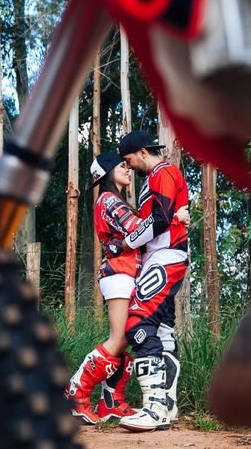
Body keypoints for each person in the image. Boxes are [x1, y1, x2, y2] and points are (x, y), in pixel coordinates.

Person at [65, 151, 189, 424]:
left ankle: (112, 402)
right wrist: (175, 216)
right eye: (122, 166)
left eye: (127, 164)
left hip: (127, 270)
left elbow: (142, 230)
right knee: (120, 338)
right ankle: (75, 393)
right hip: (120, 270)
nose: (128, 169)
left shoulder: (114, 200)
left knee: (127, 339)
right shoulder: (109, 200)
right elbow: (140, 228)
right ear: (107, 173)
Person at [106, 130, 190, 432]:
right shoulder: (157, 177)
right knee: (163, 329)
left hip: (166, 256)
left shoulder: (161, 172)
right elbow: (163, 217)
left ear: (143, 152)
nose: (129, 166)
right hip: (163, 256)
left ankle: (154, 408)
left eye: (129, 160)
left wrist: (125, 244)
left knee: (138, 323)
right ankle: (166, 407)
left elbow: (160, 219)